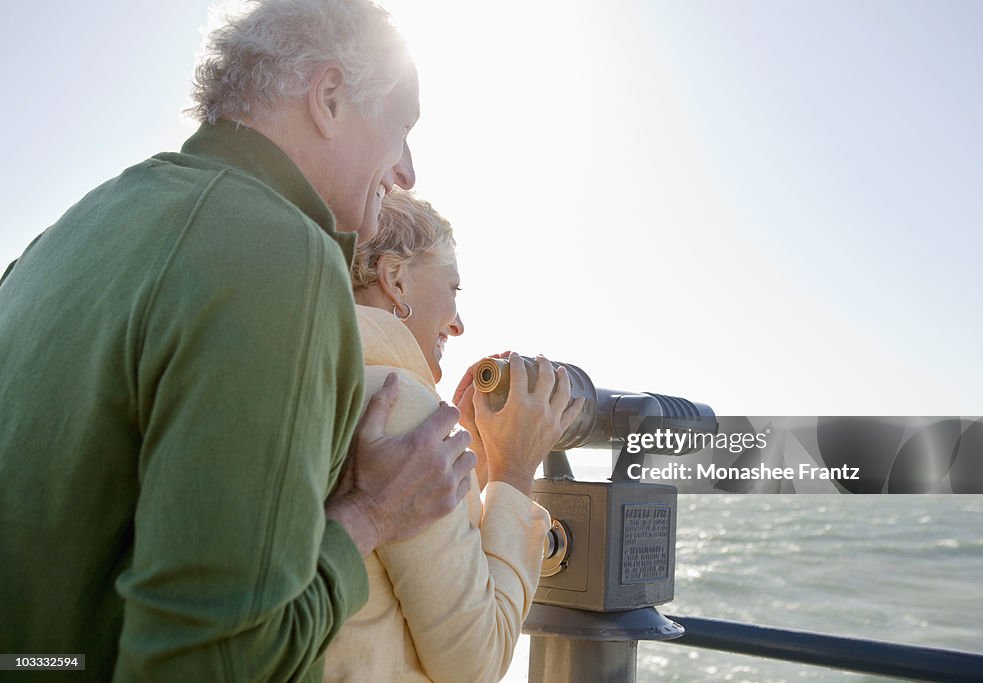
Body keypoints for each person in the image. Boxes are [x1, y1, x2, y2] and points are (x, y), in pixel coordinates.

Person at [0, 1, 474, 681]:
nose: (407, 171)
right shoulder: (279, 256)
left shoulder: (65, 234)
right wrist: (370, 515)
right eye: (401, 129)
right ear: (330, 97)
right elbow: (212, 662)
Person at [324, 190, 583, 682]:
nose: (459, 324)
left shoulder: (319, 382)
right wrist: (514, 471)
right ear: (396, 280)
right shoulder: (402, 410)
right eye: (452, 288)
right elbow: (475, 662)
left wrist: (476, 469)